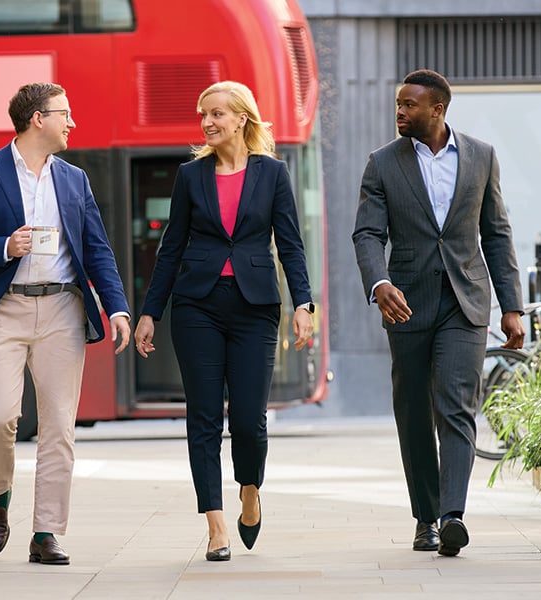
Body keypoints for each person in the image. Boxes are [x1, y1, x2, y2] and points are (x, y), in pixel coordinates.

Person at [0, 82, 132, 566]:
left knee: (58, 428)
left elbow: (97, 250)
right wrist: (4, 246)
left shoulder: (74, 179)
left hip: (63, 310)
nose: (73, 123)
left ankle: (46, 532)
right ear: (37, 120)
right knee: (0, 416)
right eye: (64, 114)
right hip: (4, 307)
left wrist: (118, 308)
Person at [133, 81, 314, 562]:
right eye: (203, 115)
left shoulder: (273, 173)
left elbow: (291, 244)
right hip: (198, 306)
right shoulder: (191, 176)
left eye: (217, 114)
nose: (208, 123)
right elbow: (171, 248)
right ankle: (214, 525)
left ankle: (249, 490)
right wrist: (150, 310)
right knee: (204, 417)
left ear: (241, 118)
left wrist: (304, 304)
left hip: (255, 307)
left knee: (251, 421)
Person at [352, 69, 525, 557]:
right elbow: (367, 233)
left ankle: (452, 515)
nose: (400, 112)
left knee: (455, 406)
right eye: (397, 105)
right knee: (412, 411)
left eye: (409, 105)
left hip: (465, 301)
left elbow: (496, 233)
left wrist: (511, 306)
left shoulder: (481, 156)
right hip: (405, 303)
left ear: (438, 109)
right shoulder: (382, 163)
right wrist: (379, 282)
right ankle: (424, 517)